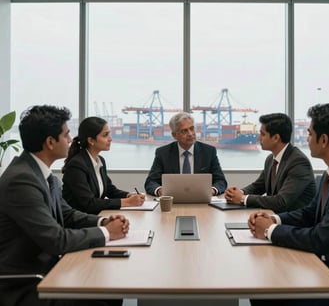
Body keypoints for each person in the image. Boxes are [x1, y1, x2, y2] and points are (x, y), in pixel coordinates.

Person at [0, 105, 129, 306]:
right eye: (67, 134)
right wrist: (107, 232)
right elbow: (55, 239)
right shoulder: (21, 181)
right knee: (104, 295)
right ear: (50, 142)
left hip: (49, 270)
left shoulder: (40, 173)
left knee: (109, 287)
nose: (71, 140)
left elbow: (67, 214)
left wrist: (104, 221)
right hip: (26, 284)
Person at [249, 103, 329, 306]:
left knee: (267, 291)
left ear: (324, 140)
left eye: (309, 133)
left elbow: (321, 238)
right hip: (325, 266)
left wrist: (270, 230)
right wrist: (274, 218)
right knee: (262, 285)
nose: (306, 139)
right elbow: (310, 214)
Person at [224, 113, 316, 212]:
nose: (259, 138)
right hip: (274, 218)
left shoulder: (299, 162)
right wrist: (237, 193)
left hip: (294, 223)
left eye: (263, 134)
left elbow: (281, 201)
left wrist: (243, 199)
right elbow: (258, 186)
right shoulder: (271, 159)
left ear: (276, 138)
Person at [62, 116, 145, 214]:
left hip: (95, 216)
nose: (110, 139)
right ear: (91, 140)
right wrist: (127, 202)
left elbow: (110, 190)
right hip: (80, 222)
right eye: (105, 135)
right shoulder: (77, 165)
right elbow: (89, 203)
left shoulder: (99, 160)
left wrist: (129, 195)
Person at [144, 112, 227, 196]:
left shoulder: (209, 152)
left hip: (201, 201)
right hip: (173, 202)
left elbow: (221, 181)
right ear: (174, 135)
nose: (190, 134)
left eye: (192, 128)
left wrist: (212, 191)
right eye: (184, 131)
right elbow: (151, 182)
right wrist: (160, 190)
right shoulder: (162, 153)